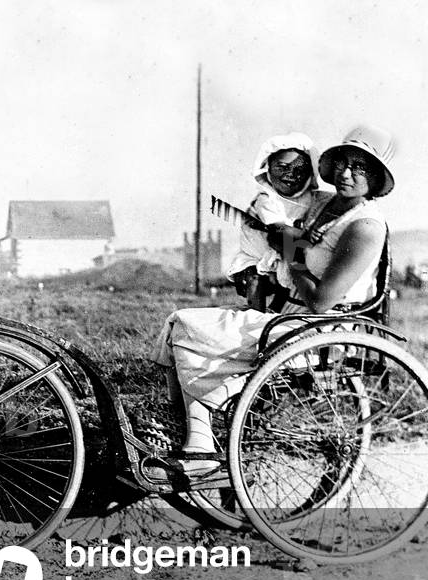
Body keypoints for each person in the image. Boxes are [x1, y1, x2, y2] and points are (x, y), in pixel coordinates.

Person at [152, 124, 395, 477]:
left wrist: (291, 253)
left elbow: (322, 300)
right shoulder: (323, 203)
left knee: (191, 326)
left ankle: (201, 447)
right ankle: (186, 432)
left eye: (361, 168)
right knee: (178, 322)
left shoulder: (365, 227)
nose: (346, 173)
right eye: (343, 162)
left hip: (316, 327)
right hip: (285, 312)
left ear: (375, 178)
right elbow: (272, 216)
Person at [226, 132, 330, 310]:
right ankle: (255, 312)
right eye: (282, 167)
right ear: (268, 169)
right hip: (260, 251)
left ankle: (277, 307)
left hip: (286, 249)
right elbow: (278, 229)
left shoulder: (311, 199)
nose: (290, 174)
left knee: (288, 276)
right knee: (254, 278)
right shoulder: (267, 198)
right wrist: (309, 236)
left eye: (299, 169)